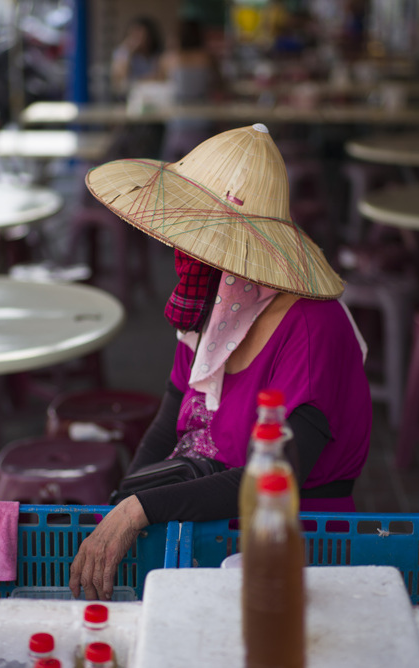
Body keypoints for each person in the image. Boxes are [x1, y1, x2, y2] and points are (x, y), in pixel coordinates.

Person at [69, 124, 372, 601]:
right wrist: (123, 500)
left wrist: (140, 509)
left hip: (293, 546)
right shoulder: (215, 302)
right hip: (204, 517)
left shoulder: (315, 327)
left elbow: (276, 476)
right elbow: (172, 415)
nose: (183, 249)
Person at [158, 19, 219, 162]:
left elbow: (159, 84)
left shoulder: (170, 59)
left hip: (177, 120)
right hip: (203, 118)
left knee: (170, 164)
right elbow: (220, 83)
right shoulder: (208, 57)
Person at [110, 16, 163, 100]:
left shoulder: (157, 54)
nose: (138, 39)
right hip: (128, 98)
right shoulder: (123, 52)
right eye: (134, 35)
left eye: (141, 34)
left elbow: (160, 78)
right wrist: (128, 51)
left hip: (154, 96)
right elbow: (119, 83)